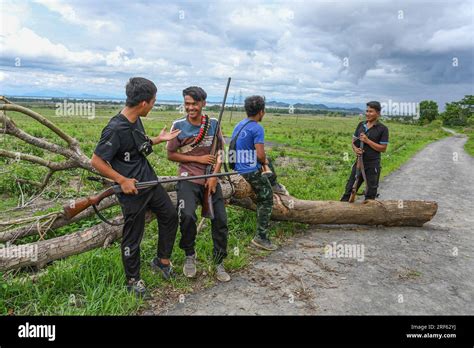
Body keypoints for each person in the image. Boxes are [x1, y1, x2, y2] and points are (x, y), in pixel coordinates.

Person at [91, 77, 181, 298]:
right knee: (133, 236)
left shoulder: (135, 120)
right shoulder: (114, 128)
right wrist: (122, 180)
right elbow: (96, 161)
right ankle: (133, 280)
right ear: (143, 103)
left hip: (149, 181)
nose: (153, 105)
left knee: (170, 215)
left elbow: (137, 145)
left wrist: (158, 140)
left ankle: (162, 261)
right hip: (131, 191)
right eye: (153, 102)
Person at [167, 86, 231, 282]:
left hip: (210, 179)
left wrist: (214, 175)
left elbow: (220, 152)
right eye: (187, 103)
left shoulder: (213, 124)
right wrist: (200, 159)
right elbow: (170, 154)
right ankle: (189, 255)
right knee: (186, 216)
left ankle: (219, 262)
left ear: (203, 103)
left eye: (194, 103)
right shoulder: (178, 125)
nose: (190, 107)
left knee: (220, 220)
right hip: (187, 177)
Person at [231, 95, 288, 251]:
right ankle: (261, 237)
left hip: (238, 166)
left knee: (267, 163)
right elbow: (261, 155)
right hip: (249, 170)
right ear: (261, 111)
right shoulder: (257, 127)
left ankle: (274, 184)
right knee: (266, 198)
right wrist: (263, 163)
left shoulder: (240, 124)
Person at [340, 101, 389, 202]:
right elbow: (353, 142)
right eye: (367, 111)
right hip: (358, 163)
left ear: (378, 113)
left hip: (372, 165)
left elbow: (383, 148)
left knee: (370, 194)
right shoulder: (361, 125)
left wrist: (367, 141)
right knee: (348, 190)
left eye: (371, 111)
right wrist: (355, 149)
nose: (367, 113)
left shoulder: (383, 129)